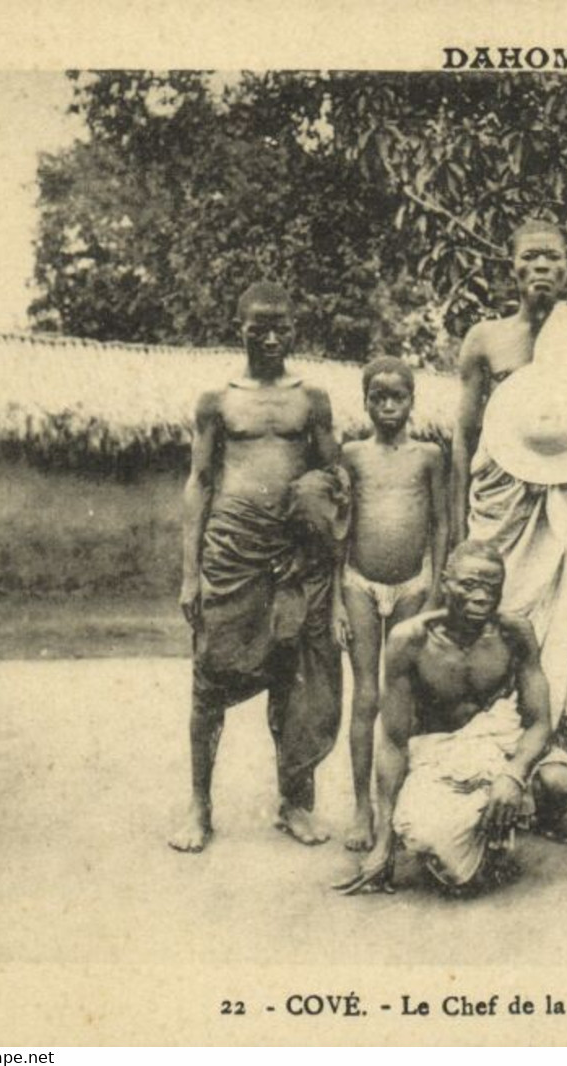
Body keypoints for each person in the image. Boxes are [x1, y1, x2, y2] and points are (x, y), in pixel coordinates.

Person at [451, 219, 567, 845]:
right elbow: (465, 433)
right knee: (492, 622)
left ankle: (553, 778)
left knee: (566, 629)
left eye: (552, 259)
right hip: (500, 507)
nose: (541, 267)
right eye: (529, 256)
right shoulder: (485, 340)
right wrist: (460, 525)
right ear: (512, 267)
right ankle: (487, 769)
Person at [171, 282, 346, 852]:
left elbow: (333, 483)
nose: (271, 336)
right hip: (230, 552)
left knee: (291, 675)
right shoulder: (216, 401)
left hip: (292, 556)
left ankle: (295, 803)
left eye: (282, 326)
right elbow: (199, 483)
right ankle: (199, 806)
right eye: (258, 325)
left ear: (295, 327)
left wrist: (322, 558)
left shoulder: (312, 400)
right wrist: (190, 573)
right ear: (238, 325)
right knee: (209, 680)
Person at [333, 541, 553, 895]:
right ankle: (485, 831)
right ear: (445, 582)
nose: (481, 597)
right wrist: (384, 845)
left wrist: (513, 775)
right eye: (469, 584)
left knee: (556, 785)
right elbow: (393, 741)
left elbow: (540, 721)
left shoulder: (515, 633)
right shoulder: (411, 641)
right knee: (423, 833)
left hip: (498, 752)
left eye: (491, 587)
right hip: (439, 758)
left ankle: (502, 814)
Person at [334, 356, 451, 852]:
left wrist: (437, 590)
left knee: (401, 699)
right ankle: (362, 808)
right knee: (365, 696)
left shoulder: (428, 456)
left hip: (412, 586)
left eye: (396, 396)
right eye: (377, 397)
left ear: (411, 401)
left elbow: (442, 524)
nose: (387, 406)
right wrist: (337, 601)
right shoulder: (353, 454)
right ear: (365, 401)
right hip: (359, 583)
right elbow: (340, 526)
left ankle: (394, 807)